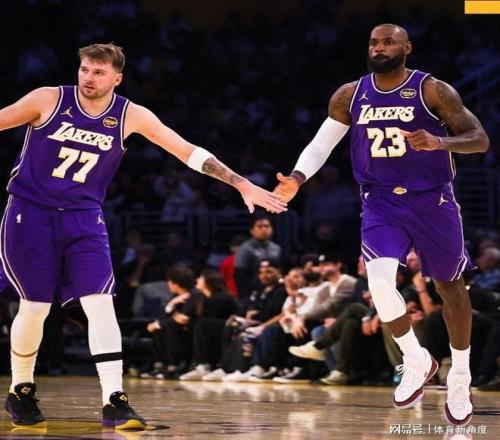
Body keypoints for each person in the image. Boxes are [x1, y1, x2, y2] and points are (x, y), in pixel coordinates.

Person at [0, 43, 286, 430]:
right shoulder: (49, 99)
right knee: (35, 307)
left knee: (100, 303)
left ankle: (115, 400)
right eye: (84, 69)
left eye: (98, 72)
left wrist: (240, 183)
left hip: (84, 217)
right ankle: (21, 389)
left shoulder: (129, 114)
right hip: (30, 212)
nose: (88, 78)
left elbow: (187, 151)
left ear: (117, 78)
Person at [273, 24, 489, 426]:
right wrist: (297, 178)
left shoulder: (432, 90)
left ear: (407, 47)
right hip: (380, 201)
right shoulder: (350, 94)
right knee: (379, 283)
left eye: (389, 42)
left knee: (450, 287)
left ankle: (460, 375)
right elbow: (321, 144)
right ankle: (415, 358)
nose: (379, 47)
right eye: (374, 42)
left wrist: (440, 142)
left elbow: (479, 138)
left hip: (433, 199)